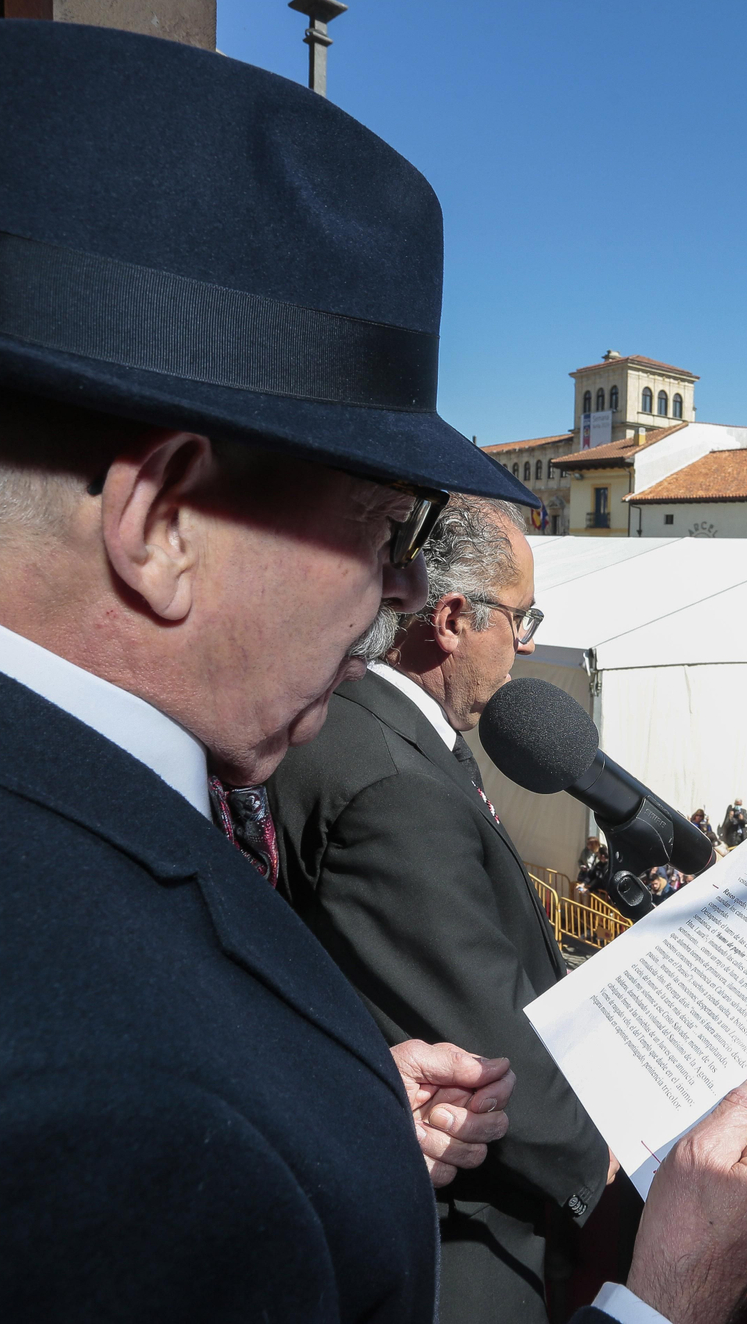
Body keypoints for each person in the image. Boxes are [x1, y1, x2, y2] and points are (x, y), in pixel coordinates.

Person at [0, 24, 747, 1324]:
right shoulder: (88, 1110)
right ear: (164, 522)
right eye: (385, 527)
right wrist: (672, 1294)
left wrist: (329, 1107)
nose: (404, 593)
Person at [271, 498, 604, 1319]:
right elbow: (487, 1046)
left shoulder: (369, 727)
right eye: (520, 619)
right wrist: (615, 1160)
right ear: (452, 618)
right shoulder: (395, 784)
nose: (526, 644)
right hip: (456, 1244)